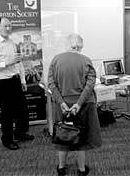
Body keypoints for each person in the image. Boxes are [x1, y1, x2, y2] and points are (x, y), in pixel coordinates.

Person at [48, 34, 102, 176]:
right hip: (84, 105)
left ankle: (61, 168)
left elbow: (51, 84)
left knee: (63, 134)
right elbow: (90, 85)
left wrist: (62, 103)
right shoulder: (86, 61)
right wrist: (78, 104)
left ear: (67, 45)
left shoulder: (55, 60)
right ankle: (82, 169)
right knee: (81, 138)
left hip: (62, 106)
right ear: (80, 46)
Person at [0, 17, 34, 150]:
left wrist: (22, 80)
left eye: (10, 26)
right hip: (3, 83)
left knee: (22, 110)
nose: (8, 28)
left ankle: (20, 134)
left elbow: (18, 62)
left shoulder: (12, 42)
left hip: (15, 80)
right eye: (5, 26)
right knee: (7, 114)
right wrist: (7, 63)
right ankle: (7, 140)